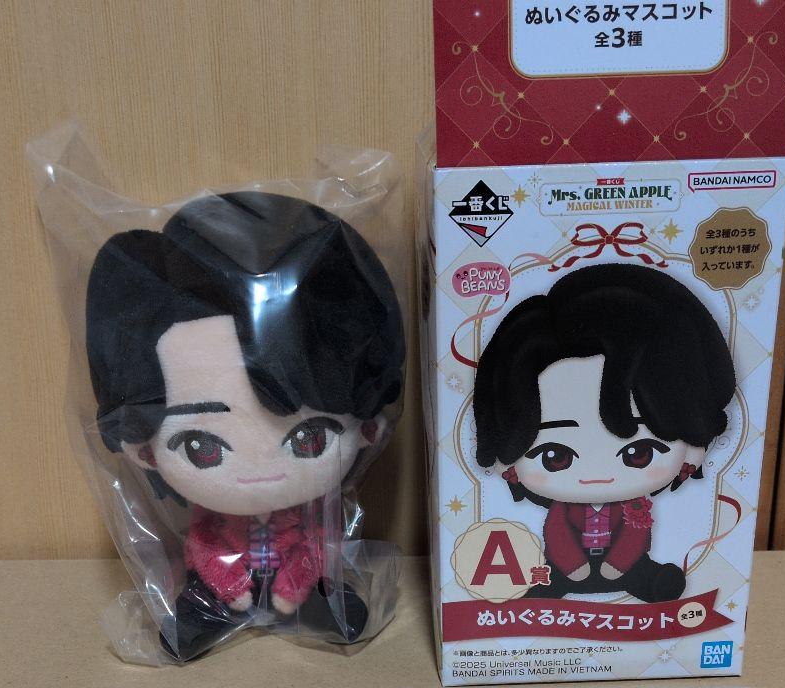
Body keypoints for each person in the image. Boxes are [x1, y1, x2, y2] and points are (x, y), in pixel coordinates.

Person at [86, 192, 404, 659]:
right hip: (223, 588)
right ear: (144, 449)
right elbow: (203, 549)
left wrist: (292, 588)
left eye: (309, 438)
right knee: (199, 602)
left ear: (368, 429)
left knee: (328, 596)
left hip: (296, 586)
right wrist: (231, 586)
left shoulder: (310, 520)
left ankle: (308, 607)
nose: (260, 470)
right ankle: (212, 615)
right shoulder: (211, 526)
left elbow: (314, 548)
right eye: (202, 447)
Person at [472, 263, 734, 603]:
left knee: (644, 573)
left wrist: (617, 565)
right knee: (550, 576)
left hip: (625, 566)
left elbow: (635, 537)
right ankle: (554, 585)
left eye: (638, 453)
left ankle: (651, 582)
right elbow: (557, 533)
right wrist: (574, 566)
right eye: (555, 457)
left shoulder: (636, 507)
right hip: (568, 567)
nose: (597, 476)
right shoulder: (564, 511)